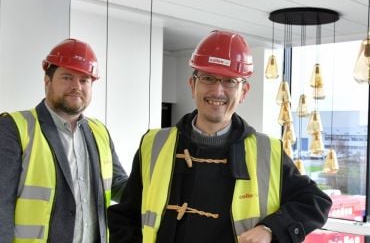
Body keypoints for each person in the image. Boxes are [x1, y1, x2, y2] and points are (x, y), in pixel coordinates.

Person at [107, 30, 332, 243]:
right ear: (192, 84)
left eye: (229, 81)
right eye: (208, 78)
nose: (217, 91)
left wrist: (270, 228)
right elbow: (126, 217)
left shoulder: (267, 150)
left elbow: (316, 201)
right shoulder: (154, 143)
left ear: (243, 92)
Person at [0, 38, 128, 242]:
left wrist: (160, 184)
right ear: (47, 81)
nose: (76, 86)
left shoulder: (99, 132)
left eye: (84, 80)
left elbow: (119, 185)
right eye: (67, 77)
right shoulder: (15, 127)